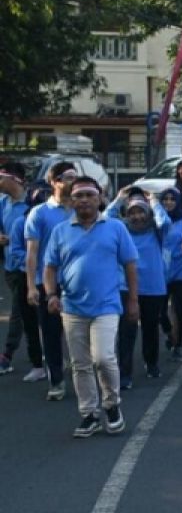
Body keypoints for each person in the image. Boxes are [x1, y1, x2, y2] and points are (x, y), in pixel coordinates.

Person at [43, 176, 139, 437]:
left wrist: (133, 300)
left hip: (107, 305)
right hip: (72, 307)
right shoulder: (61, 231)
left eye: (89, 195)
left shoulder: (116, 228)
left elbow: (130, 265)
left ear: (99, 199)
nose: (84, 200)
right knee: (80, 363)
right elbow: (50, 267)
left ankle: (112, 405)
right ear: (71, 201)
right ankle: (89, 413)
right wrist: (51, 294)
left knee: (104, 358)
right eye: (78, 196)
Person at [106, 188, 171, 387]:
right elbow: (105, 218)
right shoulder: (121, 229)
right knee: (127, 331)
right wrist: (118, 199)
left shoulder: (156, 230)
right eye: (132, 212)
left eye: (141, 211)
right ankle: (125, 374)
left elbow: (164, 221)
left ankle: (151, 363)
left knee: (151, 328)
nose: (137, 216)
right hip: (126, 286)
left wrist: (153, 201)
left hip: (153, 286)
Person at [23, 160, 77, 400]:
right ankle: (56, 381)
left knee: (80, 335)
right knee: (52, 333)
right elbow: (33, 253)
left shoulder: (83, 209)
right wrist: (31, 286)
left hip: (78, 283)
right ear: (53, 182)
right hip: (49, 284)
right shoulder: (40, 213)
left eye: (75, 176)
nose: (73, 181)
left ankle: (84, 378)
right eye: (67, 177)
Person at [0, 163, 42, 379]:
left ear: (14, 180)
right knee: (28, 315)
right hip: (10, 265)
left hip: (30, 268)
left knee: (18, 311)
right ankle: (42, 353)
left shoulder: (32, 202)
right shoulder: (2, 203)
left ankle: (6, 355)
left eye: (1, 177)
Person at [158, 187, 182, 362]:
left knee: (177, 309)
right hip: (160, 271)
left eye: (172, 199)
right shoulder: (156, 219)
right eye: (165, 199)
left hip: (179, 269)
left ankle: (178, 345)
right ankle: (169, 333)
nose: (169, 202)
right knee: (160, 311)